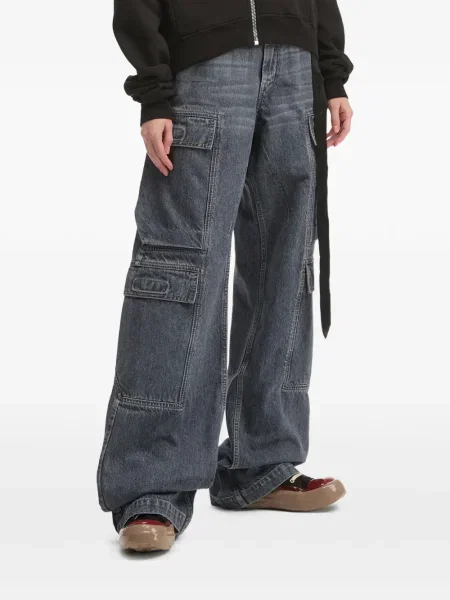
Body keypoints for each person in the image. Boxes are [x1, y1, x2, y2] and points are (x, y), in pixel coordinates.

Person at [97, 0, 353, 553]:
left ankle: (261, 463)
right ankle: (151, 486)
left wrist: (330, 72)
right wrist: (154, 91)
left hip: (296, 69)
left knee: (286, 268)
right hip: (205, 66)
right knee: (179, 274)